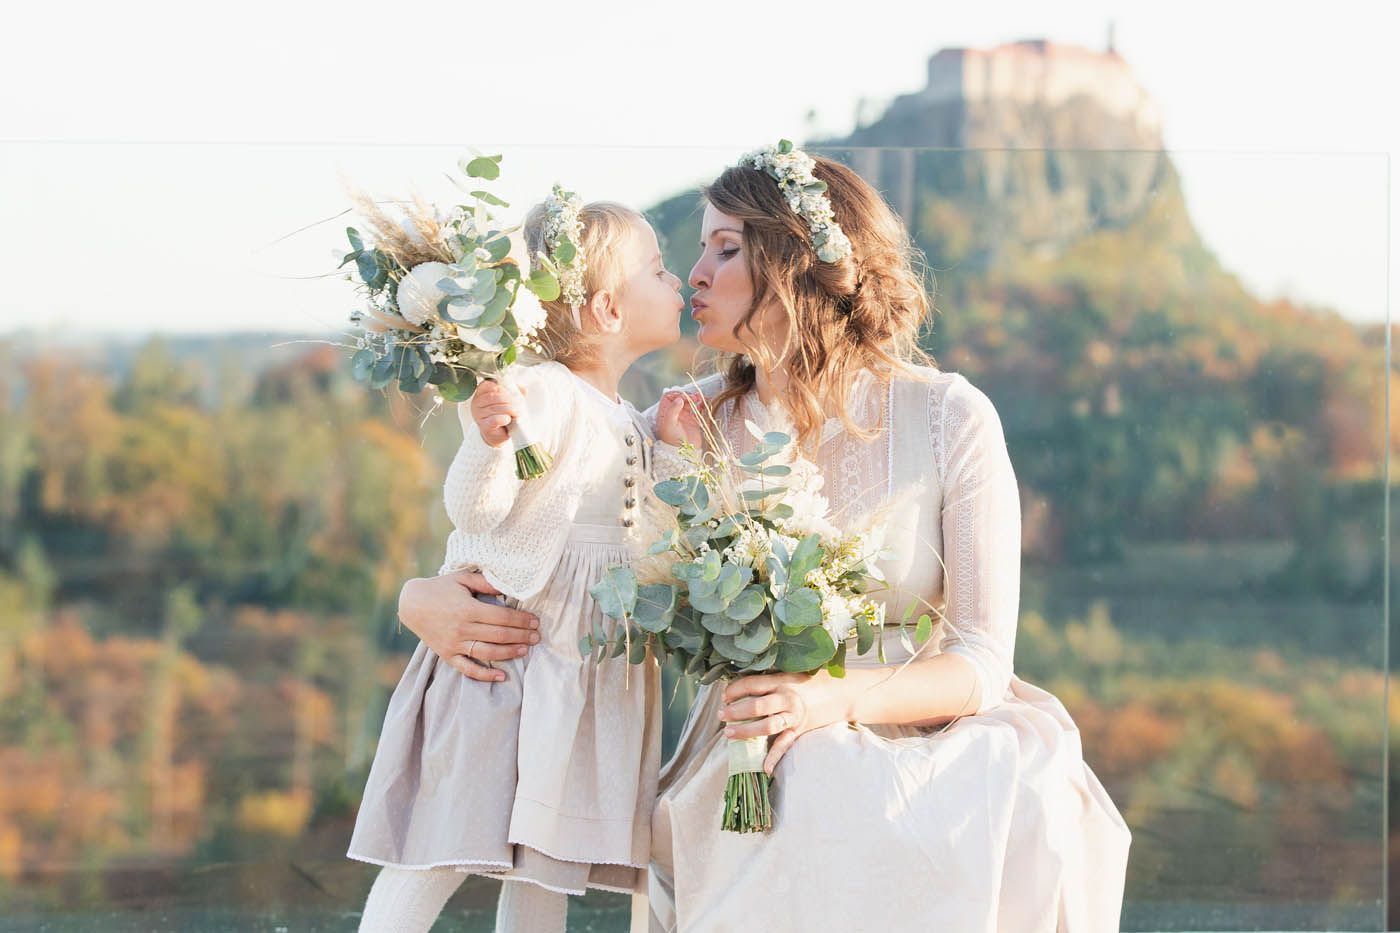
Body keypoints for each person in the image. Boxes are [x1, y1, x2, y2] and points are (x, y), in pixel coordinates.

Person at [348, 192, 686, 933]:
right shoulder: (546, 393)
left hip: (578, 674)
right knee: (441, 843)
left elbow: (646, 529)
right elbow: (477, 510)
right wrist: (490, 441)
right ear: (607, 309)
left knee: (544, 862)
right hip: (512, 661)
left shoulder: (626, 417)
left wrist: (670, 449)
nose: (677, 282)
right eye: (659, 270)